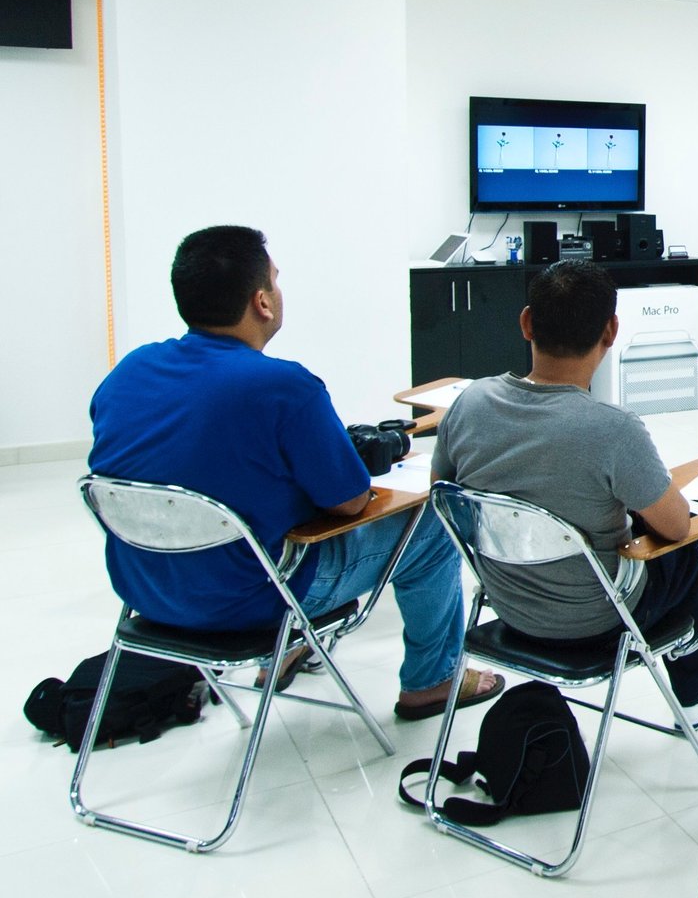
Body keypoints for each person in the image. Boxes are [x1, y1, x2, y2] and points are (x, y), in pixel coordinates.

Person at [88, 226, 498, 720]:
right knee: (432, 523)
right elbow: (348, 501)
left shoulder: (127, 373)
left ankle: (291, 648)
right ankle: (433, 681)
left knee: (276, 520)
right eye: (276, 282)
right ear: (262, 302)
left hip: (147, 593)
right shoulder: (283, 386)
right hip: (253, 602)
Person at [431, 260, 698, 713]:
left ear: (526, 322)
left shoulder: (469, 404)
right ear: (611, 331)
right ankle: (694, 700)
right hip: (596, 619)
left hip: (507, 607)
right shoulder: (614, 430)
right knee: (686, 557)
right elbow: (678, 527)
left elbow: (444, 494)